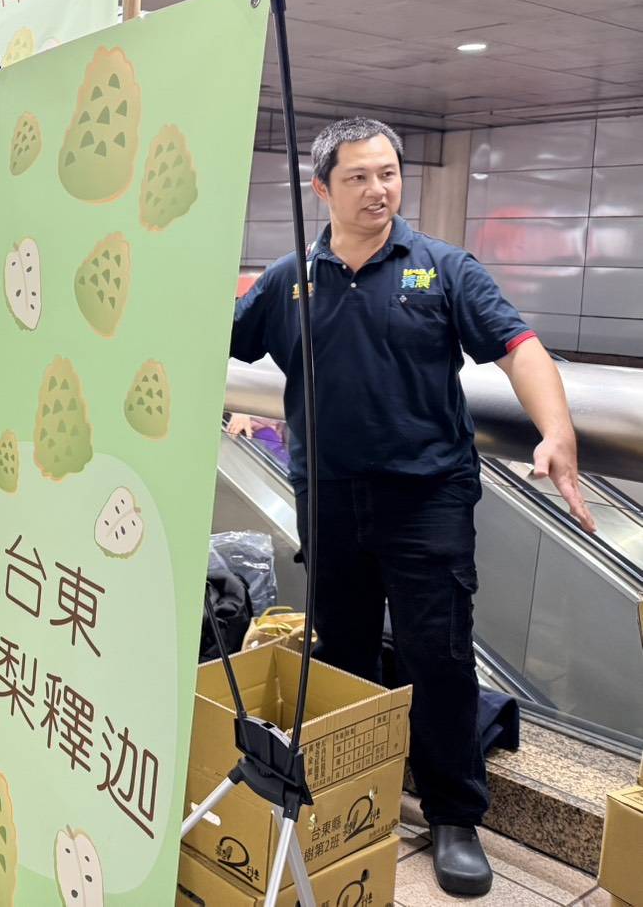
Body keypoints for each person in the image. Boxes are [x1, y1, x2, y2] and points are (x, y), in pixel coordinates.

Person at [231, 117, 595, 897]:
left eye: (388, 173)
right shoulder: (289, 278)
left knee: (438, 655)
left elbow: (519, 348)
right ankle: (348, 790)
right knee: (344, 654)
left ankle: (453, 814)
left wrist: (556, 430)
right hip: (329, 499)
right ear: (321, 188)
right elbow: (215, 339)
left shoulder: (440, 268)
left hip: (427, 498)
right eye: (358, 177)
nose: (378, 190)